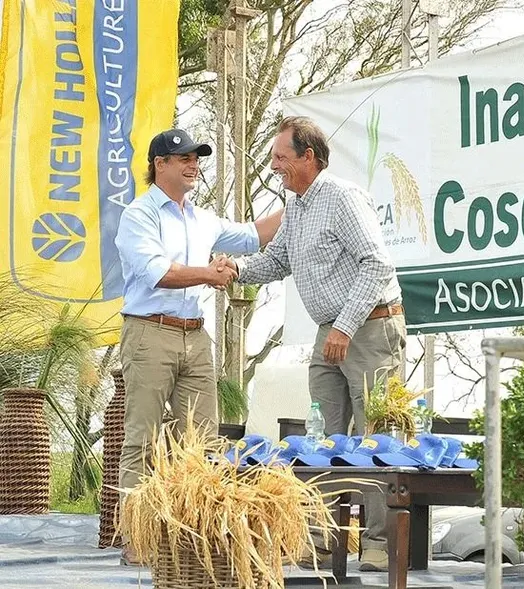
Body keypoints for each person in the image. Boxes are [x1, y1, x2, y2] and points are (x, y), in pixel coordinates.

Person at [228, 115, 405, 571]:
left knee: (376, 439)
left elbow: (377, 263)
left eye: (280, 158)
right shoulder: (298, 207)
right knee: (322, 437)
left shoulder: (342, 198)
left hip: (368, 327)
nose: (274, 167)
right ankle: (324, 542)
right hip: (331, 330)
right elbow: (278, 260)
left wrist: (345, 327)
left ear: (309, 157)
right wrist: (234, 273)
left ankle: (379, 546)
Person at [114, 128, 283, 562]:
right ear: (159, 165)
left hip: (195, 334)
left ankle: (195, 532)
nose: (194, 164)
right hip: (149, 332)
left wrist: (301, 192)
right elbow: (158, 272)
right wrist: (210, 274)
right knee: (144, 439)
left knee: (203, 440)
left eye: (197, 157)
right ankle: (137, 539)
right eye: (184, 157)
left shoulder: (204, 218)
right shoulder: (139, 215)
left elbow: (254, 235)